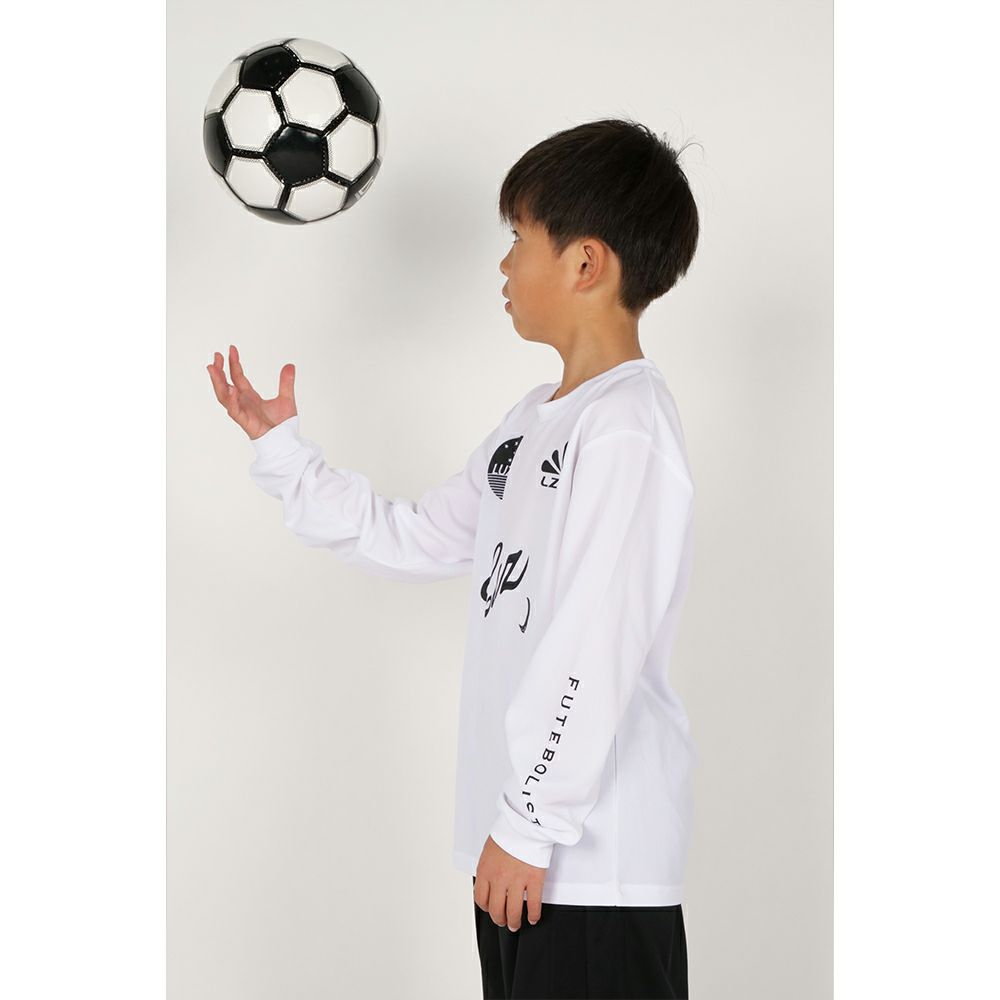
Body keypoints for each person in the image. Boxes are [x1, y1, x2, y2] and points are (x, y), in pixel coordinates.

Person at [207, 117, 700, 1000]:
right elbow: (417, 536)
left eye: (520, 238)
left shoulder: (626, 428)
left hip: (589, 865)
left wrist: (532, 822)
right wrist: (285, 455)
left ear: (586, 264)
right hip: (520, 853)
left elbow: (597, 643)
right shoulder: (533, 419)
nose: (504, 265)